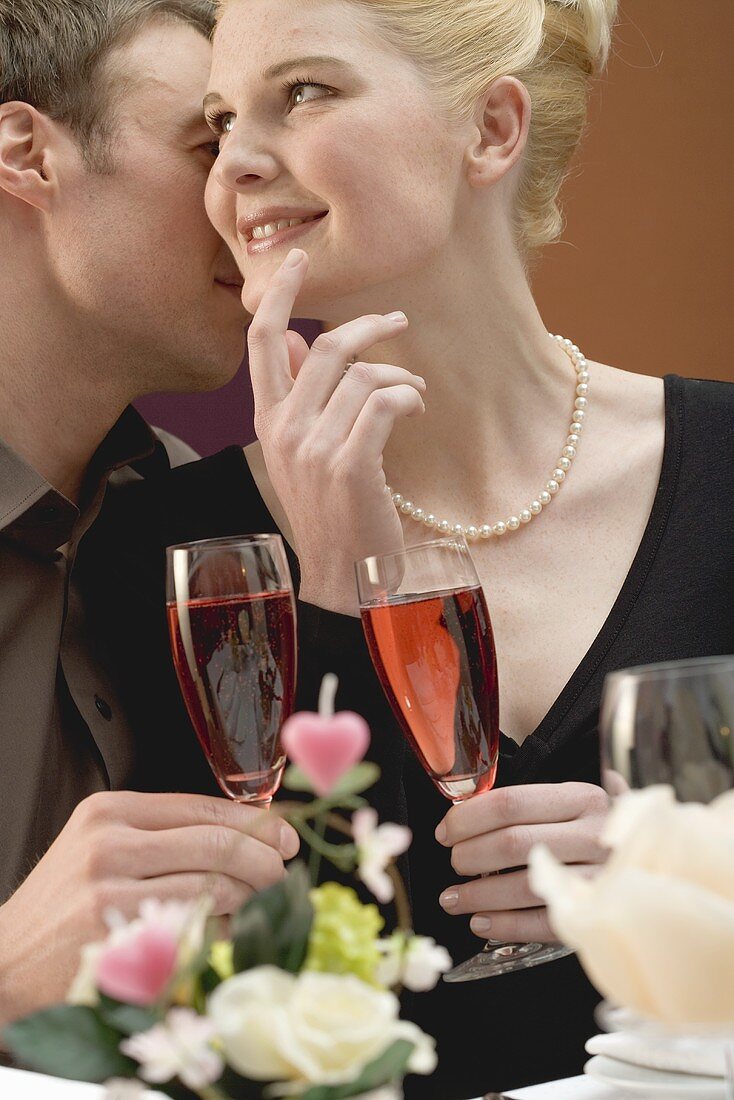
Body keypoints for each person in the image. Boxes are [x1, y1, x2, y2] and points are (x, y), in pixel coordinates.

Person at [202, 0, 734, 1095]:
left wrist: (696, 884)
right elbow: (272, 1004)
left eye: (301, 92)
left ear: (491, 129)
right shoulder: (187, 561)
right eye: (215, 125)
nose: (234, 167)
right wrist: (332, 593)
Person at [0, 0, 425, 1028]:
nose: (247, 188)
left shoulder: (197, 519)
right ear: (27, 154)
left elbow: (349, 949)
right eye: (208, 139)